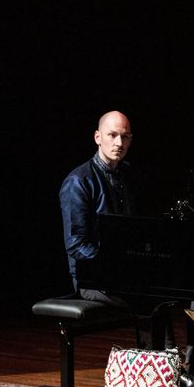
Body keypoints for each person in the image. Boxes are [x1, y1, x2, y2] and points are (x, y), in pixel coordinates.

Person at [60, 111, 134, 304]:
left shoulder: (130, 175)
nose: (119, 143)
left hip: (124, 271)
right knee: (145, 300)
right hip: (92, 279)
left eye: (125, 137)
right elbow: (76, 245)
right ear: (97, 137)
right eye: (112, 135)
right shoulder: (78, 181)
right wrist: (115, 264)